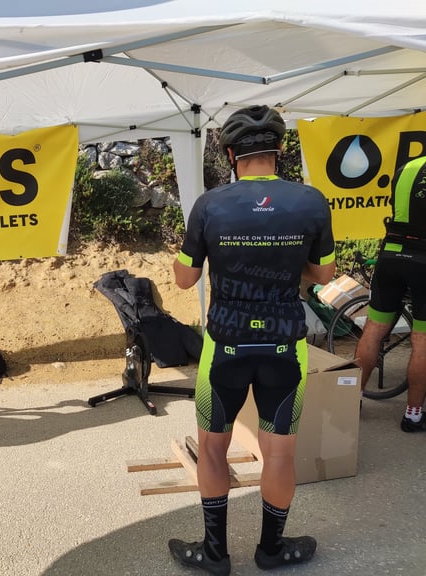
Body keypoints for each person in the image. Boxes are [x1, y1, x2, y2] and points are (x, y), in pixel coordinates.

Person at [168, 105, 336, 575]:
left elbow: (184, 279)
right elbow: (324, 274)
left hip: (226, 344)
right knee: (279, 451)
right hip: (284, 345)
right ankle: (271, 550)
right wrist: (289, 264)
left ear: (230, 155)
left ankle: (215, 554)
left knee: (213, 447)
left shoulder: (210, 205)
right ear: (279, 150)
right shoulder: (310, 201)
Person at [354, 155, 426, 432]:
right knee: (422, 340)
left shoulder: (408, 167)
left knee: (374, 329)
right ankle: (413, 415)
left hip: (392, 255)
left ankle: (352, 400)